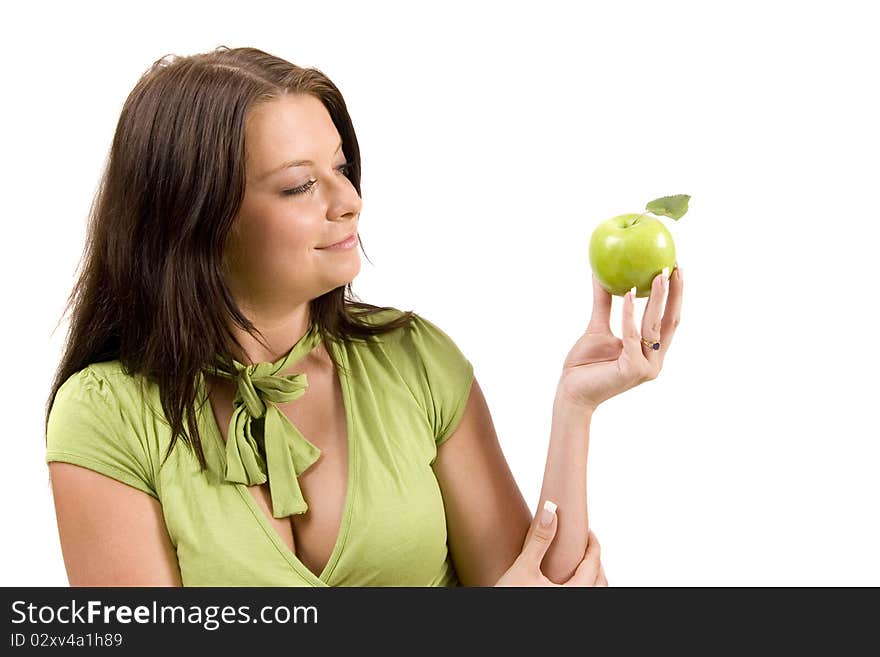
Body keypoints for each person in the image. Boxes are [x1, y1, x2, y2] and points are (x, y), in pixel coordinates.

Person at [44, 46, 683, 587]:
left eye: (343, 169)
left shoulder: (413, 359)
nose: (348, 201)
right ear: (195, 218)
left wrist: (575, 407)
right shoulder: (105, 414)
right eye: (299, 185)